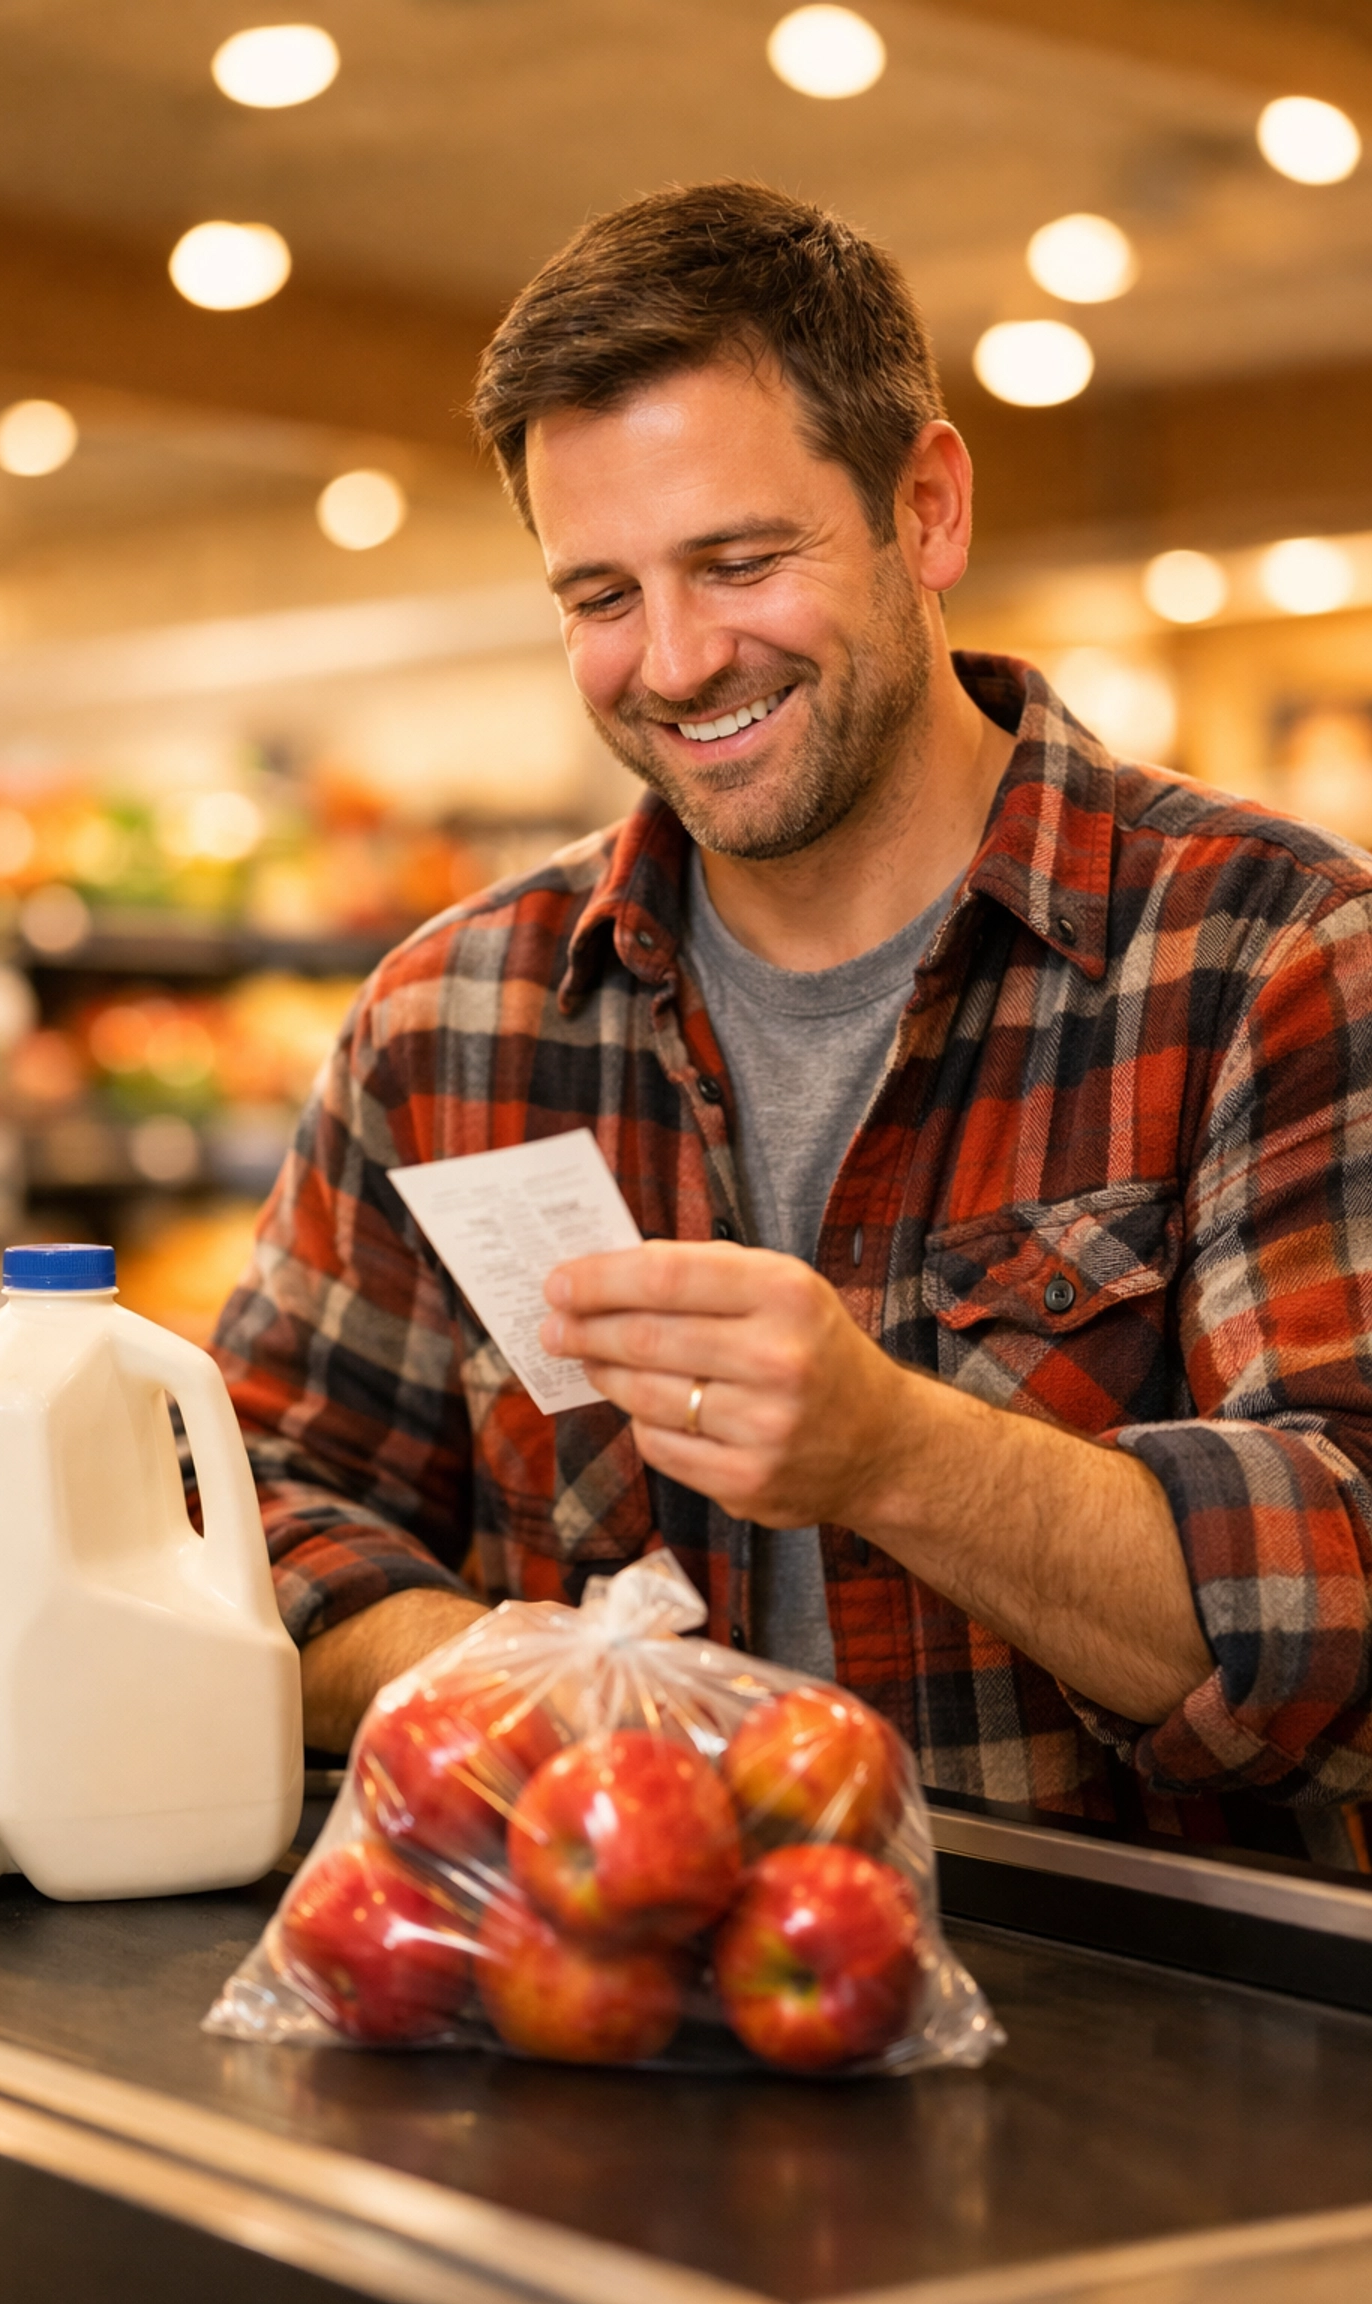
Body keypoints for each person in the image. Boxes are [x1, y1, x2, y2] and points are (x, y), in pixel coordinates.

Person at [212, 181, 1372, 1863]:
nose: (675, 661)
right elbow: (247, 1504)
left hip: (1133, 2058)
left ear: (928, 508)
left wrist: (893, 1451)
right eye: (598, 597)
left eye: (740, 563)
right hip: (586, 2011)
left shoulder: (1268, 957)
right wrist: (547, 1693)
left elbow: (1347, 1615)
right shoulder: (452, 1024)